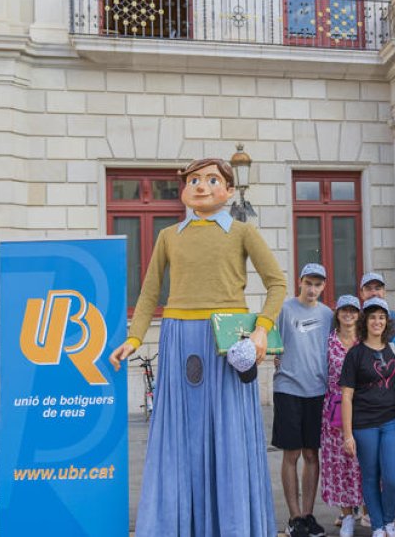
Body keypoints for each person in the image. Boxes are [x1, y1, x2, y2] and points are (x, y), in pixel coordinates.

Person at [109, 158, 288, 537]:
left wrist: (261, 330)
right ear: (184, 190)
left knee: (228, 433)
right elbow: (149, 293)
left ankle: (233, 525)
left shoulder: (242, 232)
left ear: (227, 189)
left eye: (211, 179)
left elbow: (277, 283)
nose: (201, 186)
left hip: (227, 339)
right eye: (194, 180)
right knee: (179, 434)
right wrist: (134, 338)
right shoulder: (169, 236)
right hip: (178, 337)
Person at [275, 263, 334, 537]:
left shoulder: (328, 314)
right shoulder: (285, 309)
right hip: (288, 388)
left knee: (312, 453)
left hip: (317, 391)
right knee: (292, 453)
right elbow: (272, 341)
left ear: (323, 286)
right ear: (300, 281)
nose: (313, 289)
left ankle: (308, 515)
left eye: (318, 284)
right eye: (308, 283)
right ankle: (294, 516)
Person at [340, 297, 395, 537]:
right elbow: (346, 397)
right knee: (370, 475)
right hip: (364, 424)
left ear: (387, 321)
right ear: (365, 321)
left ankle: (388, 520)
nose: (377, 321)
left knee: (393, 477)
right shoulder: (355, 354)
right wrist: (348, 435)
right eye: (373, 317)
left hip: (391, 421)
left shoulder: (392, 348)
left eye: (381, 317)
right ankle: (377, 525)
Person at [321, 295, 365, 537]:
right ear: (337, 314)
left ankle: (369, 512)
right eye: (344, 310)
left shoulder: (365, 342)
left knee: (365, 462)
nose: (348, 315)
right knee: (341, 464)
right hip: (336, 409)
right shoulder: (328, 342)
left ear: (359, 314)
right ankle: (347, 516)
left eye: (353, 311)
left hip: (364, 408)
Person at [360, 272, 395, 340]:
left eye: (377, 288)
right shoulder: (355, 320)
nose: (374, 293)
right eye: (369, 289)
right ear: (361, 293)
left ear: (384, 292)